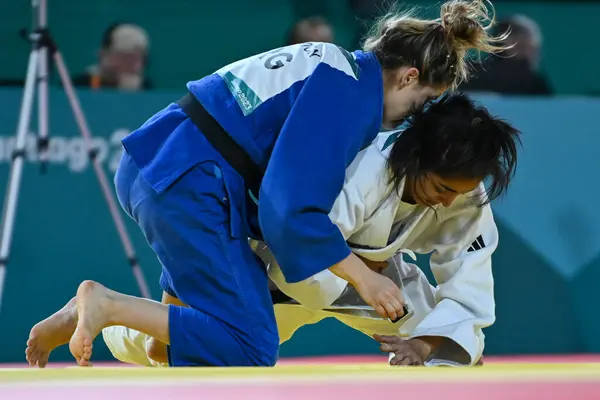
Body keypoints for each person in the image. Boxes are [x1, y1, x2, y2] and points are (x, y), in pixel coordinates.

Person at [27, 0, 506, 368]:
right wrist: (363, 275)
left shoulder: (336, 68)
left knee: (182, 347)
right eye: (420, 101)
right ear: (408, 76)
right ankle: (108, 305)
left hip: (183, 169)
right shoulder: (349, 96)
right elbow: (287, 210)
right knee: (251, 346)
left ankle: (139, 323)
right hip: (189, 176)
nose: (410, 118)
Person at [97, 93, 519, 368]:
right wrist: (364, 277)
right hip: (286, 272)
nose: (448, 202)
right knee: (210, 352)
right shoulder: (364, 163)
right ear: (416, 157)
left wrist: (426, 343)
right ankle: (112, 322)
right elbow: (299, 244)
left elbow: (469, 285)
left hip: (377, 282)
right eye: (442, 188)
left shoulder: (465, 197)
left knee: (457, 356)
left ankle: (129, 320)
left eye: (458, 193)